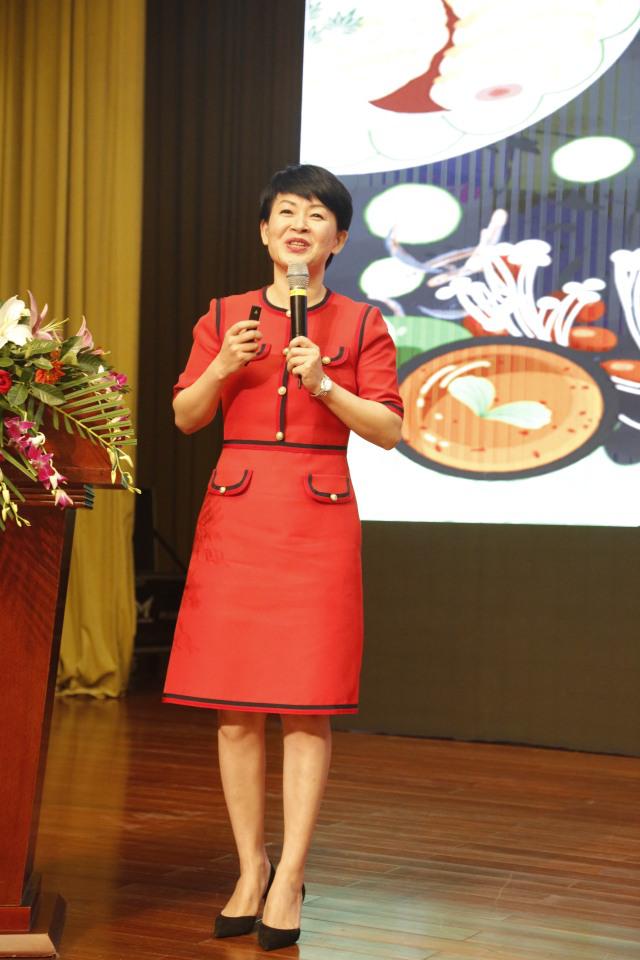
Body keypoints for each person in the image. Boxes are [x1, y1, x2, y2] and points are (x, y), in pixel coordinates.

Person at [164, 164, 403, 951]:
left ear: (338, 240)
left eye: (318, 215)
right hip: (237, 516)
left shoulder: (363, 323)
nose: (301, 225)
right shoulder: (223, 316)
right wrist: (223, 366)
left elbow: (389, 429)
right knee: (234, 709)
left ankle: (292, 875)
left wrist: (325, 385)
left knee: (306, 705)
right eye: (287, 213)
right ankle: (250, 868)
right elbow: (185, 416)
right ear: (265, 233)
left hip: (317, 520)